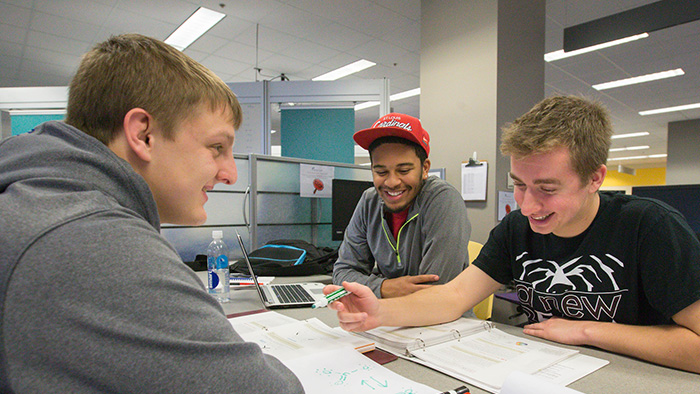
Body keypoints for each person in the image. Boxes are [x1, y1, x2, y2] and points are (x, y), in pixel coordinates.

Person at [0, 34, 304, 393]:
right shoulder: (91, 237)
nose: (230, 174)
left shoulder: (40, 198)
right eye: (216, 147)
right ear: (143, 134)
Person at [328, 96, 700, 374]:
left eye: (547, 189)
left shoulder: (650, 227)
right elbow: (453, 297)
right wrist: (380, 311)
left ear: (595, 179)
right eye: (519, 184)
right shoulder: (517, 229)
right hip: (545, 372)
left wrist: (588, 330)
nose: (526, 206)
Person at [333, 113, 472, 298]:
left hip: (444, 322)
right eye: (381, 171)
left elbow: (433, 292)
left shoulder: (442, 199)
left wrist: (372, 290)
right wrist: (386, 287)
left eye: (404, 170)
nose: (392, 182)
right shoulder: (369, 201)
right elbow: (342, 273)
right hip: (387, 317)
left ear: (425, 169)